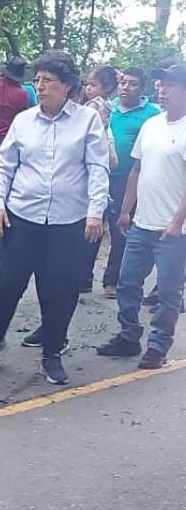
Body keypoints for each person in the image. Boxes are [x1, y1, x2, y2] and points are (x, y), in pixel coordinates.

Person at [0, 50, 109, 385]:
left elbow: (97, 168)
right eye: (38, 79)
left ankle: (51, 354)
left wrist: (95, 213)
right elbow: (6, 167)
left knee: (58, 291)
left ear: (67, 85)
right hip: (23, 218)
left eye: (48, 80)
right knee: (7, 284)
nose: (41, 86)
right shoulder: (24, 121)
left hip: (67, 223)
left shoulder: (86, 121)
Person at [97, 65, 186, 369]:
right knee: (127, 282)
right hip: (141, 222)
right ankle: (129, 335)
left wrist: (177, 222)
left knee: (168, 291)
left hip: (174, 230)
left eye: (170, 85)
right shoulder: (152, 125)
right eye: (161, 85)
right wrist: (125, 211)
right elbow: (136, 169)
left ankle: (158, 346)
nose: (162, 90)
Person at [101, 67, 163, 297]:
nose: (126, 88)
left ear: (142, 88)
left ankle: (113, 279)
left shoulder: (153, 114)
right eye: (124, 83)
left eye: (133, 84)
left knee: (121, 229)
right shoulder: (108, 108)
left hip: (132, 179)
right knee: (93, 225)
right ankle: (82, 277)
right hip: (102, 175)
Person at [79, 65, 121, 291]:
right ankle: (83, 277)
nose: (88, 88)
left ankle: (80, 276)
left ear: (105, 88)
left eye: (93, 85)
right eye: (88, 83)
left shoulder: (93, 107)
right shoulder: (105, 105)